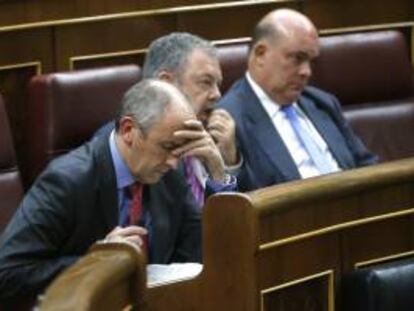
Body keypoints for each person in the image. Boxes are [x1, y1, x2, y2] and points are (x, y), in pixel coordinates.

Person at [0, 79, 208, 301]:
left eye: (180, 151)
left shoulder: (168, 173)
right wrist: (97, 262)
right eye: (167, 147)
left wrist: (219, 173)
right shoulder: (67, 181)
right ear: (129, 131)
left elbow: (192, 252)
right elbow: (8, 274)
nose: (174, 163)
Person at [218, 8, 378, 191]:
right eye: (297, 58)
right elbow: (237, 200)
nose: (306, 72)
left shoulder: (322, 102)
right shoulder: (230, 119)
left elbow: (367, 165)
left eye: (310, 61)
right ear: (261, 54)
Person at [98, 32, 239, 206]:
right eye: (206, 82)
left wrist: (227, 163)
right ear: (166, 83)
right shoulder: (129, 149)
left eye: (218, 84)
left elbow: (245, 213)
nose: (217, 95)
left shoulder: (216, 131)